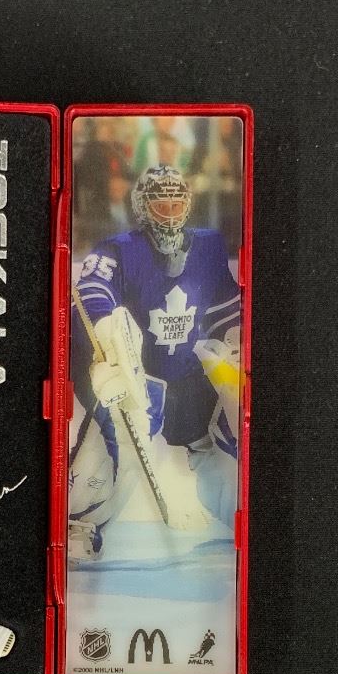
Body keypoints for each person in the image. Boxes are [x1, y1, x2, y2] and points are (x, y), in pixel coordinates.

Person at [68, 160, 242, 555]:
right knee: (120, 431)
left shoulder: (208, 246)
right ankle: (80, 522)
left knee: (225, 438)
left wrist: (235, 343)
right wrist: (108, 350)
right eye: (161, 205)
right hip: (134, 376)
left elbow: (226, 308)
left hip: (186, 375)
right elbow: (91, 294)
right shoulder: (117, 249)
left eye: (177, 204)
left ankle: (244, 514)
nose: (170, 214)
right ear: (143, 208)